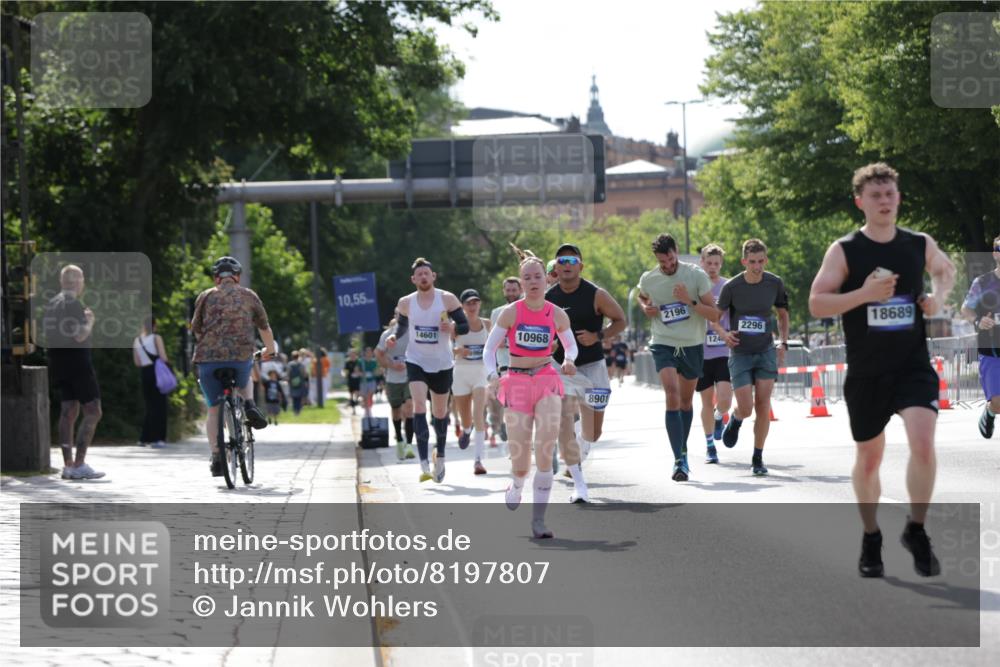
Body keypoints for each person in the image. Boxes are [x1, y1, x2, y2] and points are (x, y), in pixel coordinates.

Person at [810, 162, 956, 578]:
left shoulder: (917, 243)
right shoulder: (846, 250)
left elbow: (945, 271)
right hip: (867, 372)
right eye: (876, 195)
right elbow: (818, 302)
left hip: (912, 365)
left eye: (890, 194)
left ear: (899, 198)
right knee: (869, 461)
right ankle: (871, 534)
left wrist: (939, 298)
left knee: (923, 444)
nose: (885, 201)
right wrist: (864, 294)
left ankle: (917, 528)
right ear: (861, 202)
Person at [484, 244, 578, 538]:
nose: (534, 282)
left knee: (546, 449)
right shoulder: (511, 313)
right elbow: (489, 350)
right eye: (528, 278)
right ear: (521, 282)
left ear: (546, 279)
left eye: (538, 276)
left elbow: (570, 344)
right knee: (522, 459)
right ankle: (517, 483)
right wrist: (492, 375)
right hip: (517, 381)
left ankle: (539, 521)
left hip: (546, 377)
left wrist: (570, 359)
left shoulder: (557, 314)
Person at [547, 243, 627, 502]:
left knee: (594, 433)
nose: (566, 265)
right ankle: (577, 476)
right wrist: (550, 343)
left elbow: (620, 320)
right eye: (561, 261)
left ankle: (580, 450)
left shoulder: (596, 294)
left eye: (572, 260)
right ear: (556, 268)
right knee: (564, 417)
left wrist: (599, 336)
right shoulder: (549, 298)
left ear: (580, 266)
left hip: (593, 366)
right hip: (562, 369)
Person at [637, 234, 720, 482]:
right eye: (662, 262)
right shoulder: (649, 278)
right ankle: (679, 459)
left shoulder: (696, 275)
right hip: (663, 342)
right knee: (671, 394)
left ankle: (681, 448)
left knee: (685, 402)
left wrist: (690, 301)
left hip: (692, 344)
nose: (668, 265)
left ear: (676, 251)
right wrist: (646, 308)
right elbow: (643, 296)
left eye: (671, 259)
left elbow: (714, 314)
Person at [386, 257, 469, 483]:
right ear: (413, 279)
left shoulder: (447, 299)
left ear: (433, 276)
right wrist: (395, 336)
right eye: (419, 274)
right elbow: (403, 326)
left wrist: (452, 327)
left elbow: (464, 325)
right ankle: (423, 462)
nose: (423, 277)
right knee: (419, 405)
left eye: (427, 273)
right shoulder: (406, 302)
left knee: (440, 413)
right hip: (416, 361)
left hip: (442, 363)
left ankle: (439, 456)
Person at [191, 256, 276, 477]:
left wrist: (210, 341)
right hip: (239, 358)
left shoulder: (205, 296)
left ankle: (217, 457)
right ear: (237, 277)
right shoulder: (249, 296)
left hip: (208, 360)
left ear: (216, 278)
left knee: (213, 409)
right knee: (246, 368)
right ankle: (248, 404)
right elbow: (264, 328)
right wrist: (271, 350)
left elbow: (196, 329)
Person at [43, 264, 105, 480]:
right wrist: (89, 322)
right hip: (78, 363)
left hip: (58, 362)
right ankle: (79, 464)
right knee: (93, 411)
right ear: (77, 282)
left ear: (62, 282)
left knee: (68, 411)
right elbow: (79, 336)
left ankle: (68, 465)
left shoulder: (52, 303)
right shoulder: (73, 304)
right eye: (81, 280)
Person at [696, 244, 734, 464]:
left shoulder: (728, 286)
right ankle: (710, 445)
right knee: (706, 402)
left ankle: (721, 417)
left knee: (726, 400)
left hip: (723, 350)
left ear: (721, 264)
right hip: (701, 352)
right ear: (702, 263)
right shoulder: (696, 287)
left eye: (717, 264)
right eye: (709, 263)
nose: (712, 267)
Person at [960, 235, 1000, 439]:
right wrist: (978, 321)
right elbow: (965, 309)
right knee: (998, 403)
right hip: (991, 349)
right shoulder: (982, 282)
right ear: (995, 254)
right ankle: (990, 412)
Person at [452, 289, 491, 474]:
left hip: (480, 374)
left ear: (479, 304)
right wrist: (457, 351)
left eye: (475, 302)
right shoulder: (454, 326)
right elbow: (443, 350)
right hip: (460, 374)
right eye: (468, 303)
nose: (472, 306)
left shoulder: (487, 324)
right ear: (462, 306)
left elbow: (492, 349)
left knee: (479, 415)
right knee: (466, 419)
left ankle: (478, 461)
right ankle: (466, 431)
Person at [488, 277, 524, 447]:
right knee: (512, 406)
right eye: (508, 290)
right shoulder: (497, 313)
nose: (511, 293)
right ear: (504, 291)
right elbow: (494, 342)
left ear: (520, 290)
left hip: (528, 363)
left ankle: (525, 438)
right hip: (505, 365)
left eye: (514, 290)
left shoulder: (529, 309)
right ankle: (514, 443)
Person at [377, 316, 416, 460]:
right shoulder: (387, 335)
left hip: (409, 376)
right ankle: (399, 440)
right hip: (393, 378)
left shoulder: (412, 332)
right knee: (396, 411)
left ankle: (409, 445)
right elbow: (378, 354)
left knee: (409, 407)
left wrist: (410, 363)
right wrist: (392, 365)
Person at [133, 316, 169, 449]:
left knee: (149, 406)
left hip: (145, 373)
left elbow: (137, 362)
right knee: (160, 406)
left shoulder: (137, 340)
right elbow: (163, 357)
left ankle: (144, 438)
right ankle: (158, 438)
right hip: (157, 373)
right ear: (155, 325)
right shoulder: (156, 338)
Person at [287, 350, 309, 415]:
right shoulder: (301, 364)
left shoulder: (290, 364)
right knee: (299, 397)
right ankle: (299, 410)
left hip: (292, 383)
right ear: (298, 356)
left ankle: (295, 410)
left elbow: (288, 373)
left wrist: (288, 380)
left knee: (294, 397)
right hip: (300, 382)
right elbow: (304, 374)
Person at [360, 347, 379, 419]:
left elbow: (378, 371)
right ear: (365, 353)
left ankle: (369, 410)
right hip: (363, 382)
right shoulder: (361, 362)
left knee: (369, 396)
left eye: (370, 352)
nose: (369, 353)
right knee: (365, 397)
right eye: (367, 352)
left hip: (372, 381)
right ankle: (366, 411)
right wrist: (362, 374)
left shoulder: (374, 362)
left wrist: (374, 373)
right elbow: (357, 371)